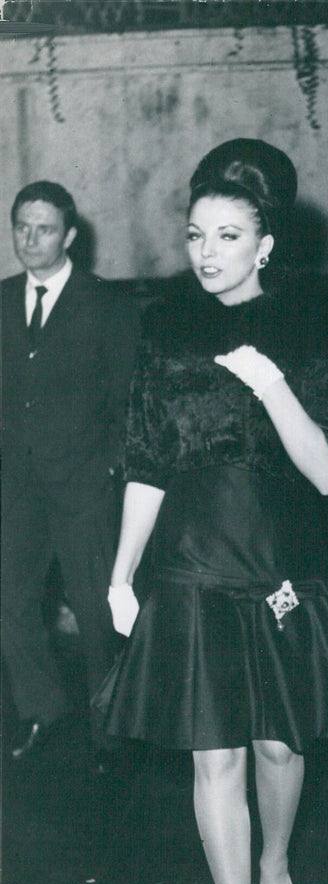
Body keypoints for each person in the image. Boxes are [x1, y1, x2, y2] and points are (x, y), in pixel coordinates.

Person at [102, 138, 328, 884]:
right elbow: (146, 458)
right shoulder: (164, 327)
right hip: (188, 563)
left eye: (227, 236)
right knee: (212, 754)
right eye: (195, 235)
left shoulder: (313, 325)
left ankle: (274, 862)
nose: (206, 252)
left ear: (266, 246)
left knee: (278, 744)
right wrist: (121, 570)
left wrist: (273, 384)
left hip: (279, 563)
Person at [1, 181, 139, 765]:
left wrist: (107, 468)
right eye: (21, 228)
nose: (31, 241)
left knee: (95, 613)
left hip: (85, 490)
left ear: (71, 237)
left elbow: (127, 398)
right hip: (17, 489)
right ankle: (42, 711)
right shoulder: (2, 299)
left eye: (45, 229)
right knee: (11, 601)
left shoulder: (106, 303)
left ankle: (111, 730)